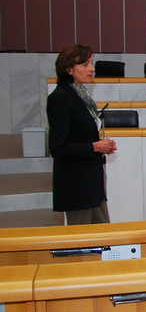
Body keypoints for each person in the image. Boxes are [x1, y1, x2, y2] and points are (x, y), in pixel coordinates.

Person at [47, 44, 117, 225]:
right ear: (69, 68)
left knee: (104, 237)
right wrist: (94, 147)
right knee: (83, 239)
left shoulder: (80, 95)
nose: (92, 69)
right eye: (86, 64)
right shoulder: (61, 97)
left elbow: (78, 135)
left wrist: (101, 145)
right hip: (76, 186)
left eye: (91, 63)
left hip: (92, 183)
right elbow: (57, 147)